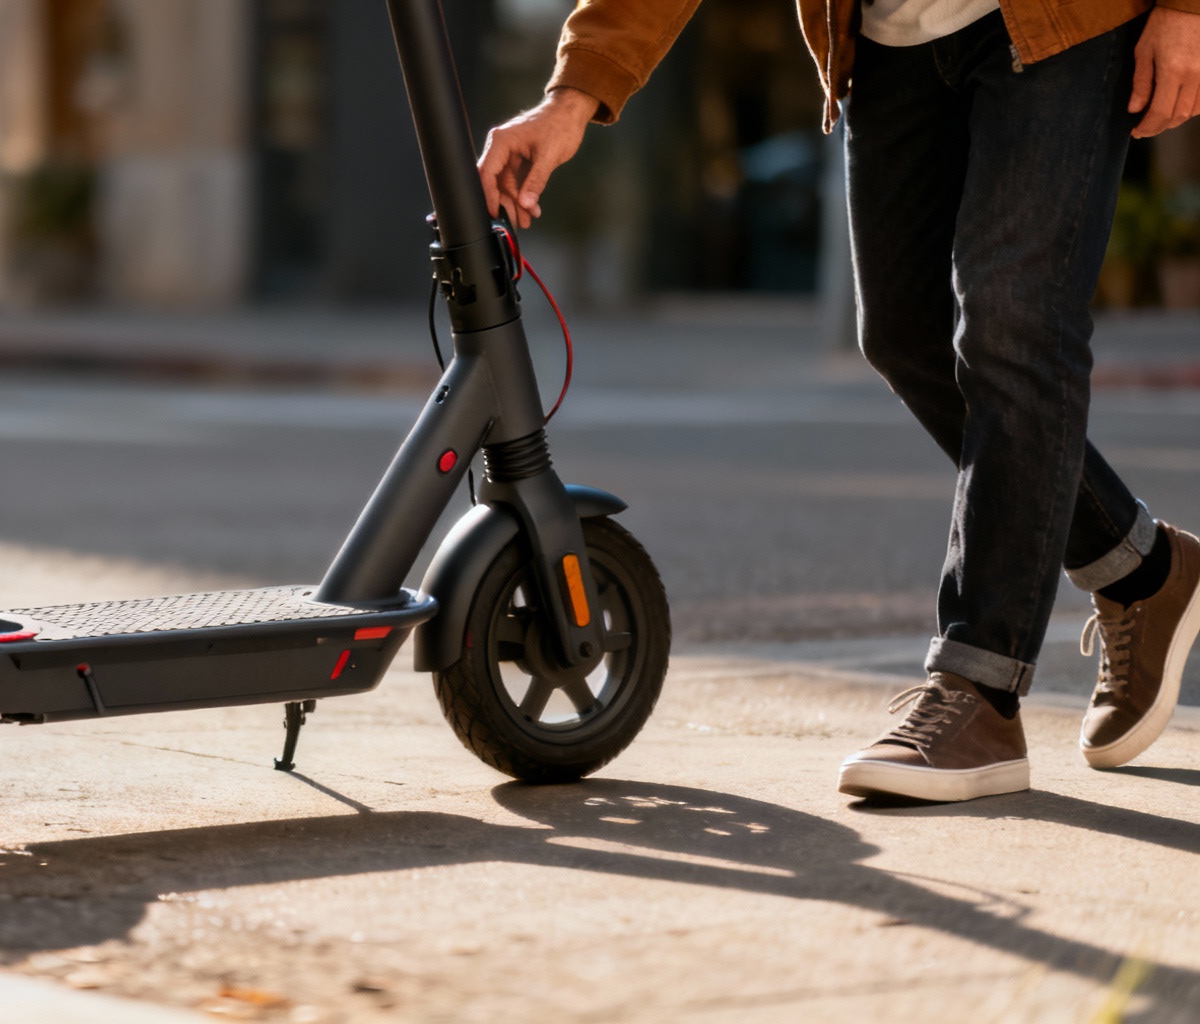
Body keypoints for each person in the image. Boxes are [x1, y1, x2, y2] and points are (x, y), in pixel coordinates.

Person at [479, 0, 1200, 802]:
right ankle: (1146, 570)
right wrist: (572, 94)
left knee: (1014, 323)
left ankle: (980, 691)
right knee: (903, 331)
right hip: (893, 38)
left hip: (1060, 23)